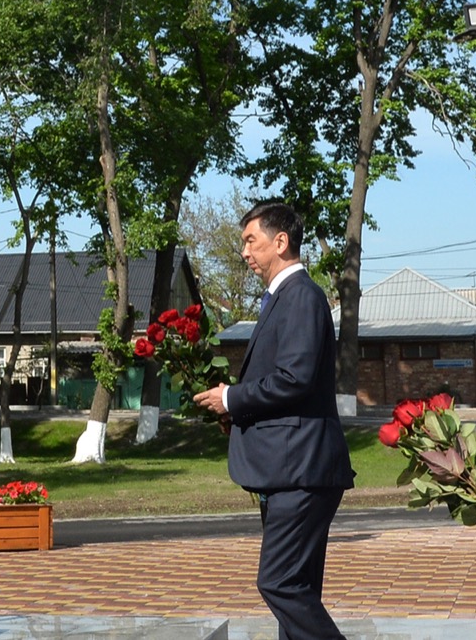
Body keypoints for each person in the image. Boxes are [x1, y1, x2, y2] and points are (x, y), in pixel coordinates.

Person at [192, 199, 353, 640]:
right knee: (297, 590)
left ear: (280, 242)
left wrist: (232, 397)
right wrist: (237, 412)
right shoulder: (283, 298)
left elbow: (295, 379)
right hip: (290, 469)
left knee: (278, 583)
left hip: (300, 470)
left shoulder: (301, 295)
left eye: (251, 241)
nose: (245, 252)